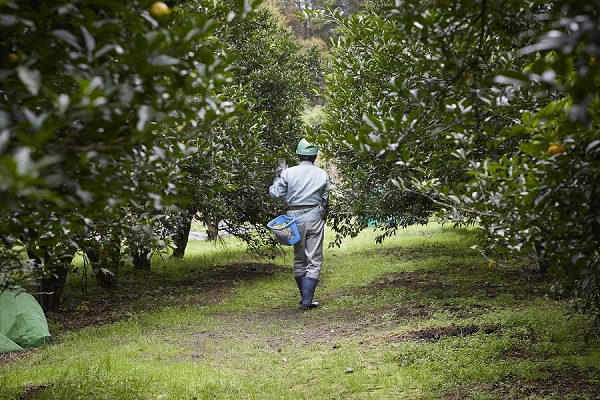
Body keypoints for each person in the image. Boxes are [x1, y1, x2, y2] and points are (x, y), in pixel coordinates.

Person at [269, 138, 330, 310]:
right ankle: (307, 300)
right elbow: (326, 198)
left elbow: (275, 195)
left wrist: (277, 176)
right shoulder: (322, 174)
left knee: (299, 258)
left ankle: (306, 299)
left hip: (293, 220)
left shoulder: (288, 173)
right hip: (315, 217)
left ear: (298, 155)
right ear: (315, 156)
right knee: (314, 258)